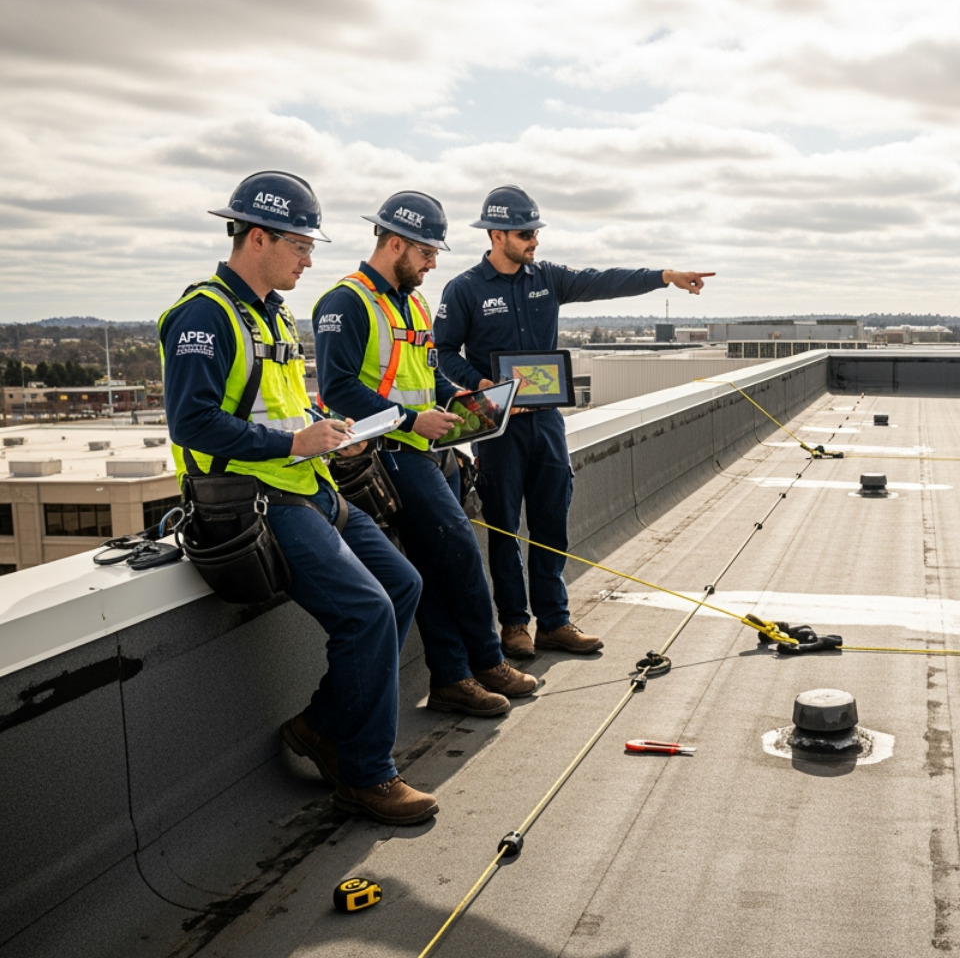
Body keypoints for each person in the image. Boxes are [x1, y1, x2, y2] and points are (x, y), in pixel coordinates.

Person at [159, 171, 435, 825]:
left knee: (402, 585)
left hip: (306, 486)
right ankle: (367, 775)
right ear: (258, 237)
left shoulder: (267, 312)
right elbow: (191, 423)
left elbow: (280, 406)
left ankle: (321, 726)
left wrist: (327, 433)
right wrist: (294, 444)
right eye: (301, 246)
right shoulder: (205, 315)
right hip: (256, 499)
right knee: (367, 612)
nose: (311, 260)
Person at [434, 185, 713, 660]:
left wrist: (664, 276)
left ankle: (555, 622)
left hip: (546, 423)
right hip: (498, 427)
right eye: (526, 233)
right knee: (504, 527)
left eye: (537, 232)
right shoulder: (464, 289)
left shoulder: (548, 278)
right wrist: (480, 384)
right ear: (497, 234)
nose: (534, 242)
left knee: (551, 522)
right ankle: (515, 625)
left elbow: (603, 279)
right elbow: (441, 353)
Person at [312, 191, 538, 717]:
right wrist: (413, 420)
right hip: (389, 452)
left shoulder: (411, 302)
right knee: (457, 548)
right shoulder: (345, 302)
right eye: (427, 253)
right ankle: (484, 661)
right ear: (395, 244)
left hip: (430, 449)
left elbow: (426, 374)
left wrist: (461, 403)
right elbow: (338, 387)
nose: (434, 262)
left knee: (436, 564)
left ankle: (452, 679)